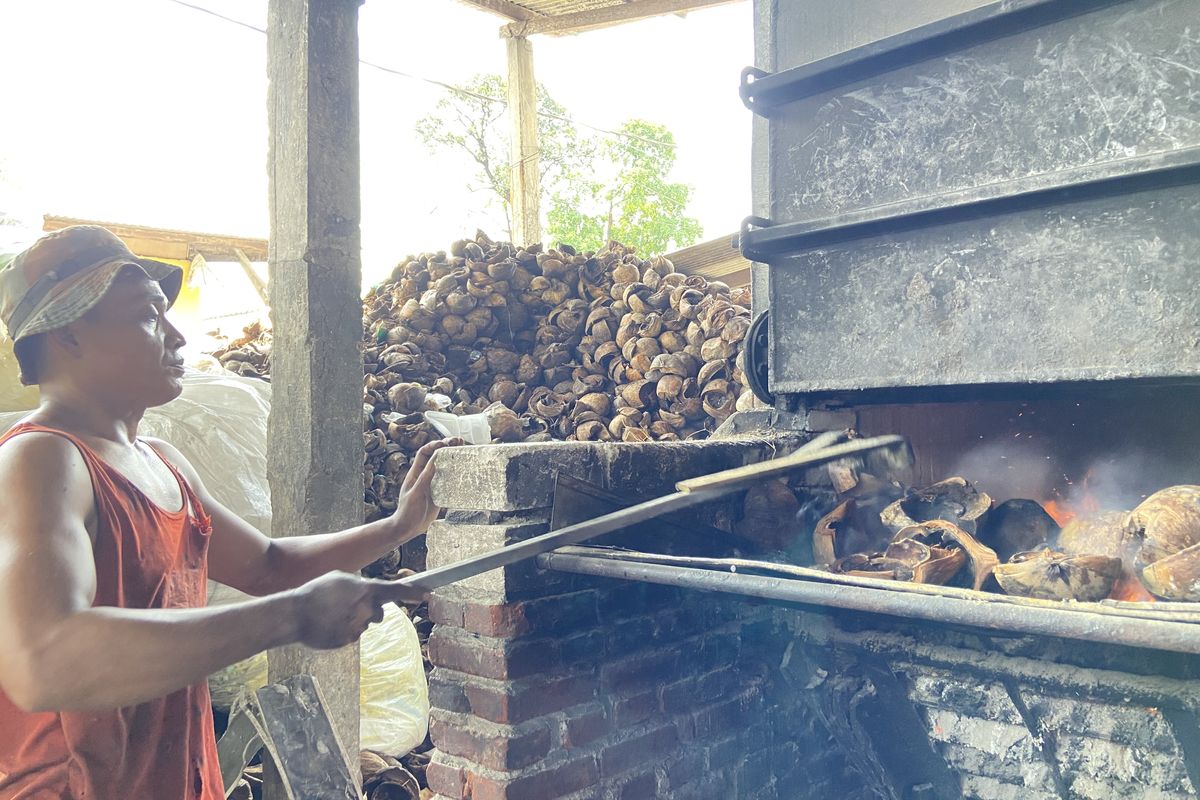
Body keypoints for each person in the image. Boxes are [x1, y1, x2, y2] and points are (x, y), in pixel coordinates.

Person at [0, 225, 460, 799]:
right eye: (147, 316)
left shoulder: (162, 462)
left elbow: (268, 566)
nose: (177, 336)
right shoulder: (41, 460)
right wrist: (293, 616)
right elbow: (43, 661)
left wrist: (399, 527)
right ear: (67, 334)